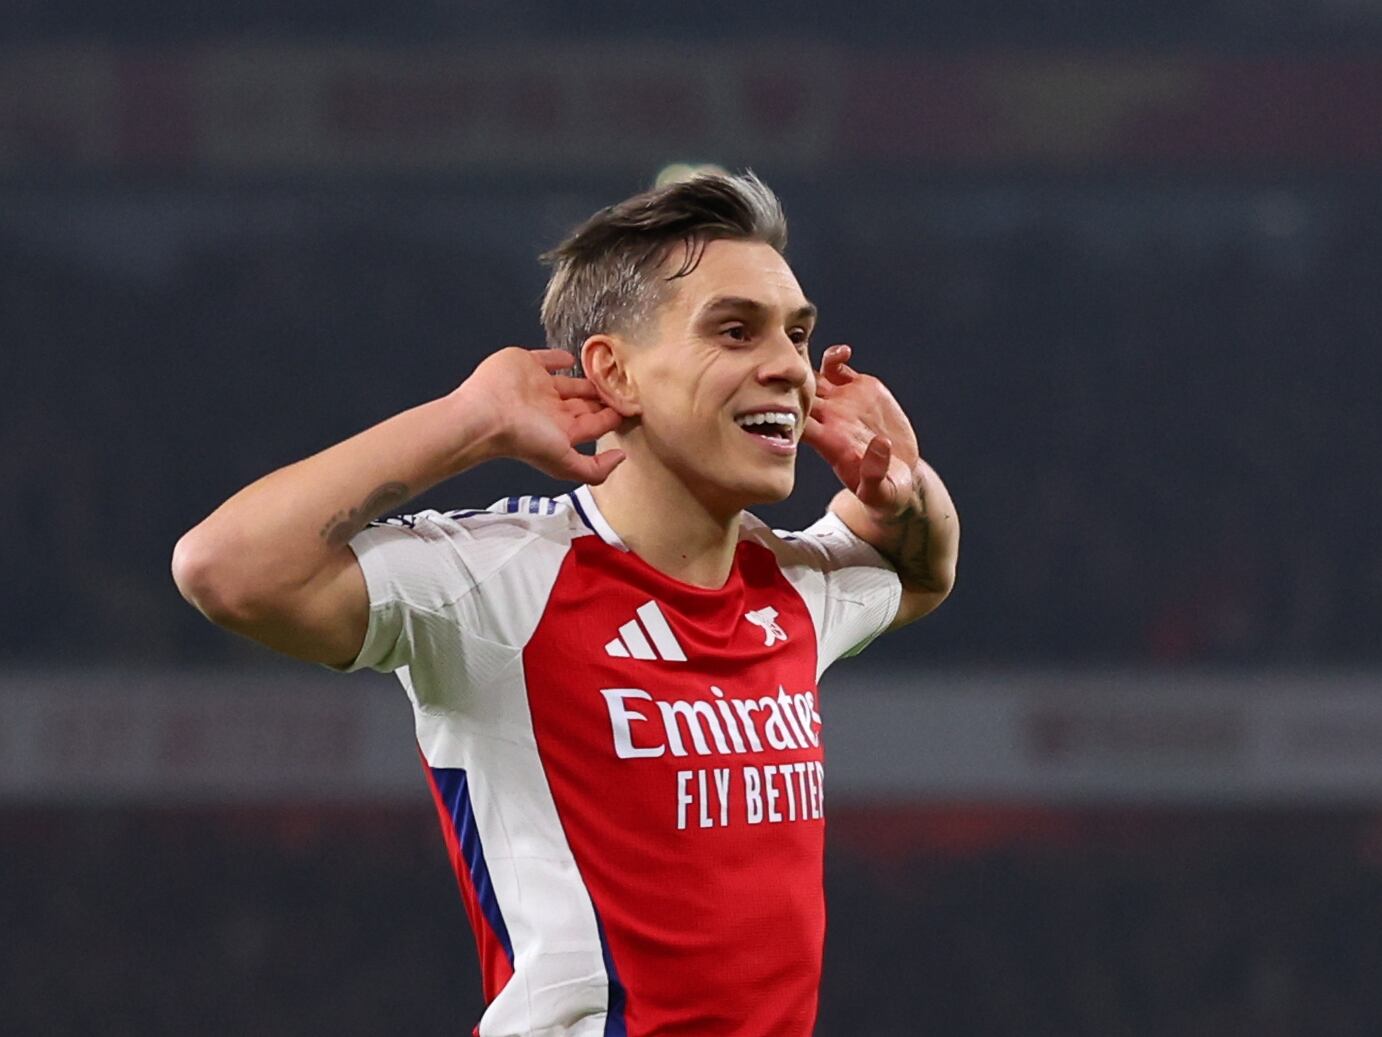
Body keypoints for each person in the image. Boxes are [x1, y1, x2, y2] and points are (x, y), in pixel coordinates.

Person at [172, 172, 958, 1037]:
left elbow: (919, 567)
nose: (788, 367)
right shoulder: (502, 582)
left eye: (797, 335)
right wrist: (470, 420)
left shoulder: (793, 590)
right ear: (613, 371)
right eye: (736, 331)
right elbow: (223, 567)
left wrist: (902, 480)